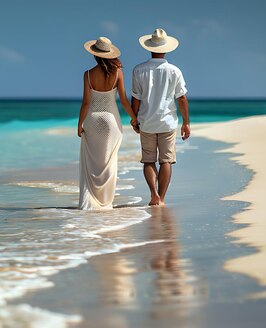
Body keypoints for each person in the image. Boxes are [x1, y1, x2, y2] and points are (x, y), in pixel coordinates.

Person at [130, 28, 190, 206]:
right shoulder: (174, 71)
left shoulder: (138, 70)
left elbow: (136, 98)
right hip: (168, 122)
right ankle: (161, 199)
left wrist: (134, 119)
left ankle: (153, 194)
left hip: (146, 121)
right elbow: (182, 98)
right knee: (166, 161)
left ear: (149, 47)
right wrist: (186, 122)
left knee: (148, 160)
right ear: (166, 48)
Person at [78, 37, 137, 210]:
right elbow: (124, 101)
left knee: (92, 163)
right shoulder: (117, 72)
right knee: (109, 161)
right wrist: (134, 119)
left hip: (92, 120)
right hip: (112, 121)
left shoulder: (88, 74)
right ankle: (105, 201)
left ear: (95, 55)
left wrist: (79, 124)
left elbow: (86, 103)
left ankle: (92, 200)